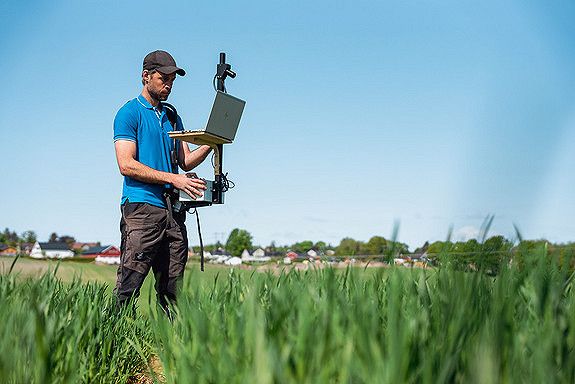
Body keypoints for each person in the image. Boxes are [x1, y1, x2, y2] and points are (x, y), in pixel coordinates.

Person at [113, 50, 211, 314]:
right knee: (129, 285)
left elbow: (185, 161)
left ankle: (169, 347)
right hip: (142, 209)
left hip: (173, 213)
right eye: (163, 78)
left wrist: (212, 142)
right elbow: (126, 164)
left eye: (172, 80)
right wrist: (174, 179)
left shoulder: (172, 116)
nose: (168, 84)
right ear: (146, 76)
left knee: (172, 289)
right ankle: (113, 343)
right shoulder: (129, 113)